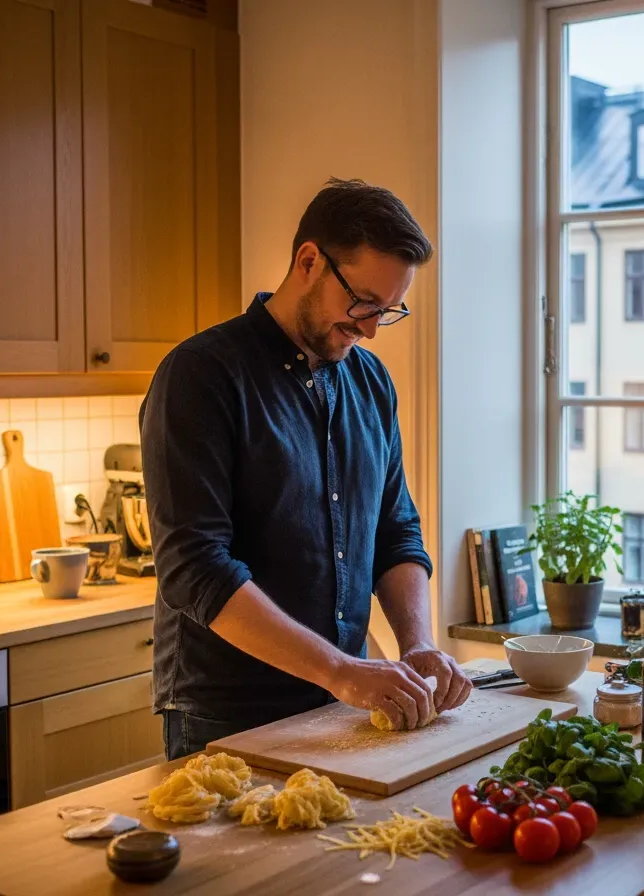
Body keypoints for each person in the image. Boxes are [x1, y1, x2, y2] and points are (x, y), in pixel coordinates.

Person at [140, 177, 471, 759]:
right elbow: (196, 569)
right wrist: (343, 670)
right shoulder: (200, 376)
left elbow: (395, 532)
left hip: (339, 703)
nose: (370, 328)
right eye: (364, 303)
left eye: (387, 312)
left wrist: (416, 644)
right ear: (309, 261)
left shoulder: (370, 383)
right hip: (225, 715)